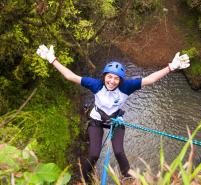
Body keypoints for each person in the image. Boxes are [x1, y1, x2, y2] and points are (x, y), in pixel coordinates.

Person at [36, 44, 190, 182]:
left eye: (116, 78)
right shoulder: (95, 84)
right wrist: (52, 59)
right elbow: (71, 76)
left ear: (120, 80)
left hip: (116, 121)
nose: (112, 81)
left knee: (119, 152)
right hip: (96, 120)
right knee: (93, 155)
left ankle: (128, 178)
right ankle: (83, 178)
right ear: (104, 77)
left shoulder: (126, 87)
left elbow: (150, 80)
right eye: (109, 77)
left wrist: (171, 67)